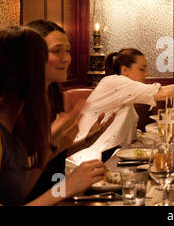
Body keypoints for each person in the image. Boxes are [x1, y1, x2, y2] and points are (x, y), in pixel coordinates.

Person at [0, 26, 105, 206]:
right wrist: (67, 186)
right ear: (21, 71)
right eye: (42, 61)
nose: (64, 60)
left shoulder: (12, 123)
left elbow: (19, 193)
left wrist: (55, 145)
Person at [68, 47, 174, 165]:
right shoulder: (113, 82)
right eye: (142, 69)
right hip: (88, 158)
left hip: (109, 157)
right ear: (125, 70)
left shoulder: (126, 93)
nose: (146, 74)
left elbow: (125, 133)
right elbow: (165, 93)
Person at [25, 20, 115, 202]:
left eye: (67, 50)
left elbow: (49, 157)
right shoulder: (17, 108)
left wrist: (85, 142)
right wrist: (68, 186)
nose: (66, 58)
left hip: (54, 195)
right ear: (33, 55)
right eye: (56, 50)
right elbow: (19, 176)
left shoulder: (52, 95)